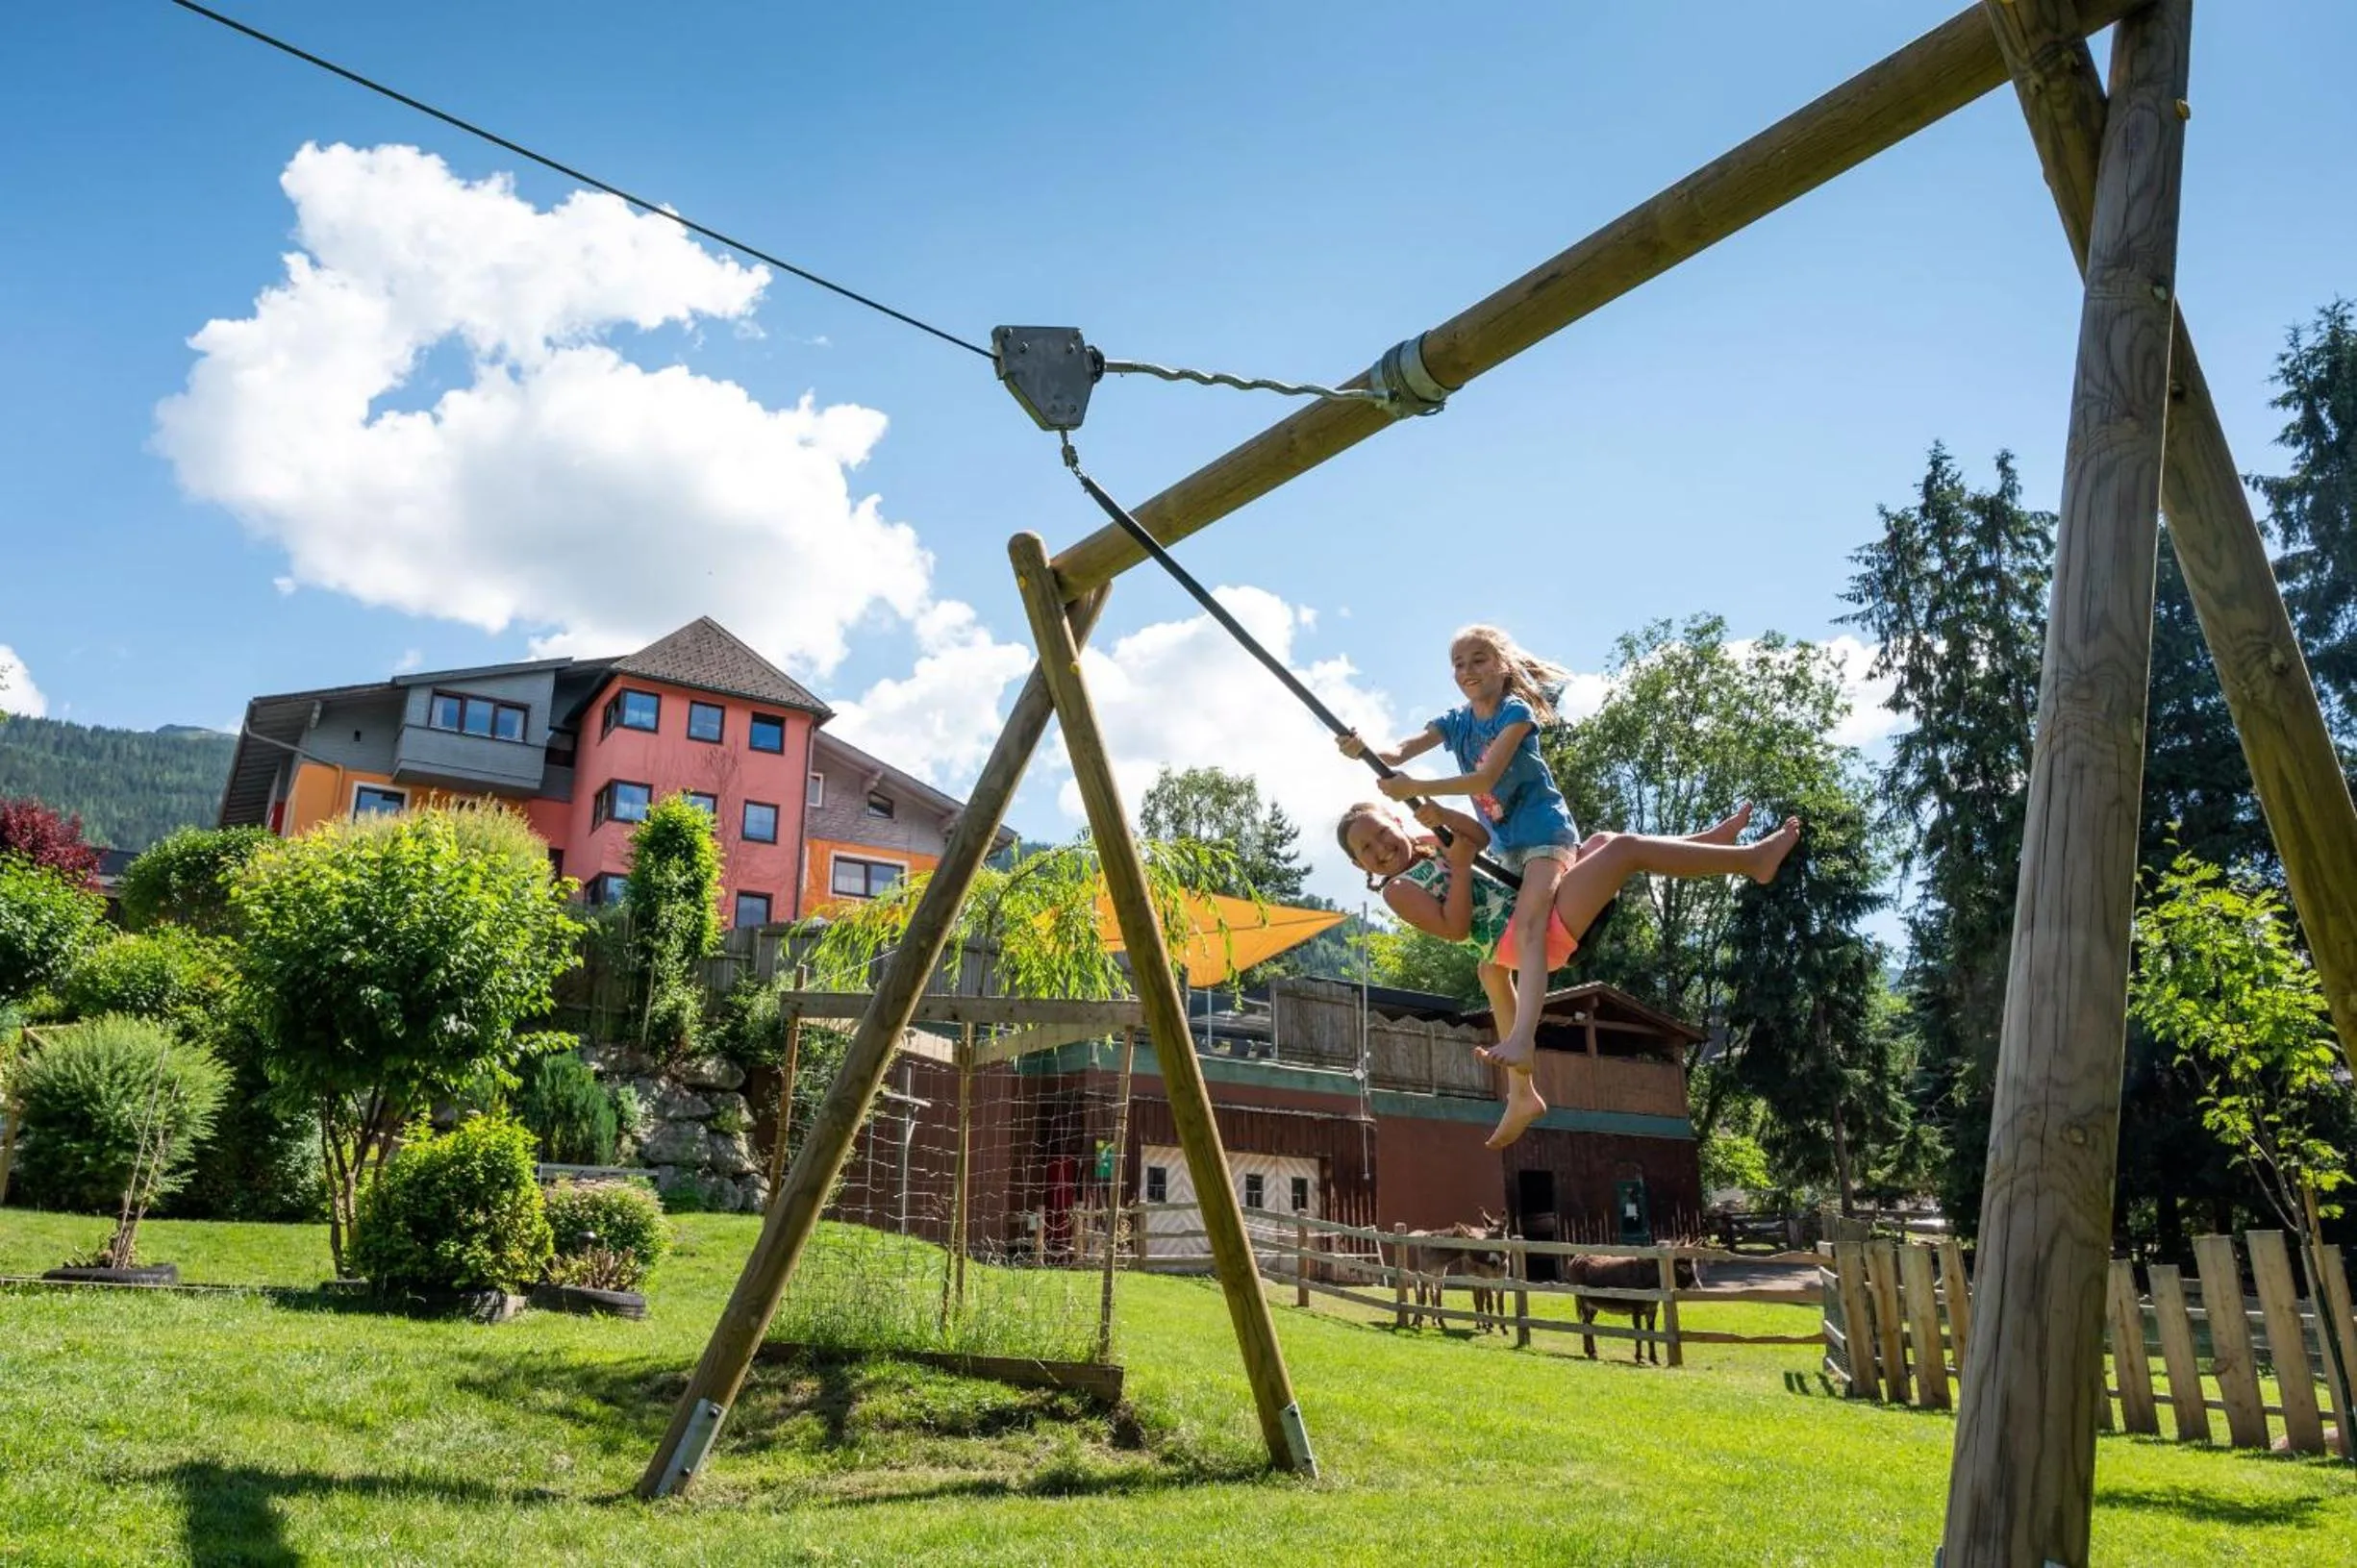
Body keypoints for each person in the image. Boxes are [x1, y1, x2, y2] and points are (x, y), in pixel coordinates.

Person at [1335, 795, 1796, 1146]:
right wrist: (1456, 869)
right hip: (1531, 935)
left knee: (1605, 843)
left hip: (1534, 908)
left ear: (1397, 820)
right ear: (1359, 866)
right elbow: (1455, 928)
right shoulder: (1398, 890)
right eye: (1366, 849)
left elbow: (1476, 837)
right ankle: (1750, 861)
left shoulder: (1430, 843)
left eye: (1381, 832)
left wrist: (1438, 813)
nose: (1380, 848)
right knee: (1625, 852)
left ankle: (1706, 845)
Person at [1337, 625, 1588, 1080]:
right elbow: (1400, 751)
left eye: (1478, 659)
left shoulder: (1515, 710)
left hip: (1543, 832)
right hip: (1511, 847)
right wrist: (1364, 749)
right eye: (1458, 663)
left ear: (1501, 665)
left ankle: (1523, 1040)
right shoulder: (1456, 722)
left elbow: (1484, 781)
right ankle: (1521, 1092)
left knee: (1534, 927)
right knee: (1491, 971)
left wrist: (1425, 797)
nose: (1467, 670)